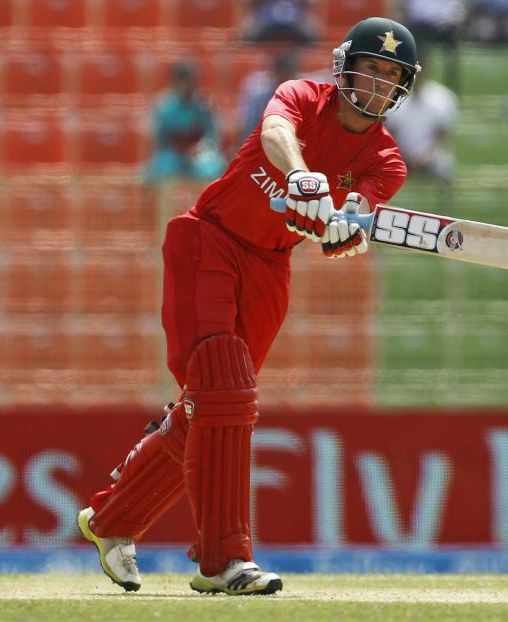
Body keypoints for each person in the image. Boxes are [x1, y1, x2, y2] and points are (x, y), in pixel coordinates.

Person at [77, 17, 420, 596]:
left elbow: (359, 210)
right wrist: (304, 179)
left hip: (270, 268)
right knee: (227, 394)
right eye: (371, 68)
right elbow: (275, 134)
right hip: (208, 239)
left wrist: (343, 232)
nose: (379, 83)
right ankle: (223, 562)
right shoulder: (303, 96)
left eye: (392, 75)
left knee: (208, 411)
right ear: (346, 66)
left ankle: (110, 521)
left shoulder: (388, 159)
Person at [144, 62, 227, 184]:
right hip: (171, 154)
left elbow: (212, 137)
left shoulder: (204, 105)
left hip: (199, 155)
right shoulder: (163, 107)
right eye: (182, 82)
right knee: (161, 169)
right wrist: (177, 149)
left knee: (212, 166)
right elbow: (158, 140)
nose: (187, 87)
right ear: (174, 83)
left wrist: (201, 147)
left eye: (191, 82)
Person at [384, 55, 459, 183]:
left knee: (444, 166)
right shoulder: (394, 96)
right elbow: (391, 135)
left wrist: (425, 158)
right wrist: (404, 156)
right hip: (401, 157)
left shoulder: (443, 97)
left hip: (432, 159)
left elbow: (442, 138)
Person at [238, 49, 303, 146]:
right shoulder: (259, 100)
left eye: (288, 74)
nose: (284, 79)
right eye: (281, 73)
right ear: (274, 74)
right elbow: (250, 131)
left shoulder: (303, 99)